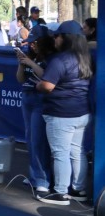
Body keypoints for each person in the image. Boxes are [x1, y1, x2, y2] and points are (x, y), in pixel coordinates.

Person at [36, 20, 92, 205]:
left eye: (57, 36)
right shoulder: (86, 57)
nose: (55, 39)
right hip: (81, 112)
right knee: (77, 152)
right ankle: (78, 189)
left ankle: (61, 193)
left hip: (60, 113)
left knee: (61, 153)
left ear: (65, 38)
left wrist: (38, 85)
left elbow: (47, 86)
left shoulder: (59, 60)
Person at [15, 25, 56, 200]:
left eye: (35, 42)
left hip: (41, 99)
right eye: (30, 42)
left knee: (39, 140)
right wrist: (21, 63)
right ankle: (35, 176)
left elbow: (47, 76)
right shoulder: (30, 55)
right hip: (27, 96)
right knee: (30, 138)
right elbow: (20, 78)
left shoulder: (51, 58)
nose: (31, 45)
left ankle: (43, 180)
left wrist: (30, 63)